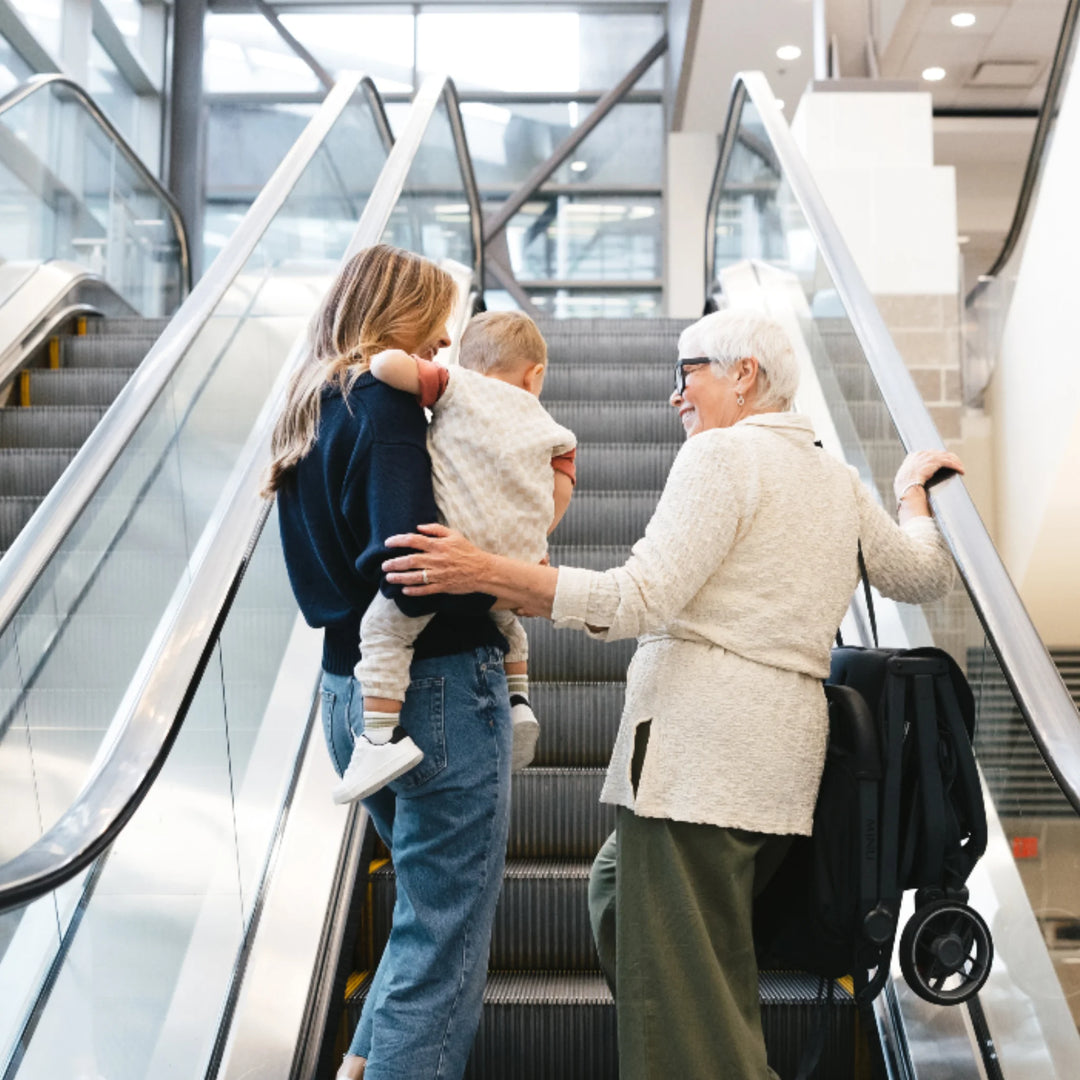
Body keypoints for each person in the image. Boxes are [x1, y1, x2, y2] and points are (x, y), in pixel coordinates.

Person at [379, 307, 963, 1080]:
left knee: (692, 1027)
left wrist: (487, 571)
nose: (674, 397)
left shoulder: (722, 458)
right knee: (624, 901)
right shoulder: (835, 478)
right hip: (772, 763)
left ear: (743, 375)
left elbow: (638, 597)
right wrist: (914, 501)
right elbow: (920, 573)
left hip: (699, 764)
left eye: (685, 374)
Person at [264, 243, 513, 1080]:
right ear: (393, 319)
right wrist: (492, 575)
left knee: (423, 911)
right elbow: (407, 561)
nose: (441, 354)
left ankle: (362, 1063)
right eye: (432, 334)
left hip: (349, 698)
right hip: (436, 692)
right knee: (445, 937)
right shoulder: (383, 399)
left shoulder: (308, 407)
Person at [333, 310, 577, 803]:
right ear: (536, 375)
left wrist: (387, 355)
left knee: (385, 628)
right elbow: (560, 492)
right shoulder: (553, 428)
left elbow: (386, 368)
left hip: (452, 552)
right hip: (516, 563)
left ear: (467, 362)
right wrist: (532, 540)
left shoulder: (455, 385)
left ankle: (379, 736)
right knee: (508, 621)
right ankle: (518, 700)